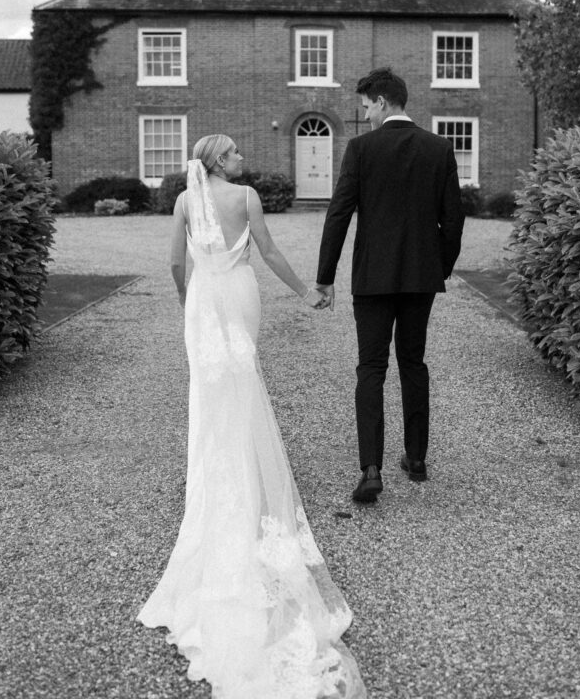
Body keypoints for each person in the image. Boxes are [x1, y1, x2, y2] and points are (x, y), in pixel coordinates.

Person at [137, 134, 366, 699]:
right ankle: (245, 470)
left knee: (210, 389)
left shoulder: (186, 201)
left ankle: (219, 471)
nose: (242, 158)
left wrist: (186, 299)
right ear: (219, 161)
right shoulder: (247, 197)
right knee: (242, 378)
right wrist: (306, 293)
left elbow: (173, 261)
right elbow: (267, 252)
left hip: (202, 299)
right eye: (234, 153)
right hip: (239, 292)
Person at [315, 68, 464, 503]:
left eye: (365, 105)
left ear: (381, 102)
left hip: (373, 278)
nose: (365, 114)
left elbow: (338, 214)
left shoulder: (361, 149)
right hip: (421, 277)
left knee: (371, 367)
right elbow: (452, 221)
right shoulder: (438, 148)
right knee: (413, 363)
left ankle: (371, 469)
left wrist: (325, 277)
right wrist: (441, 267)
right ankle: (416, 459)